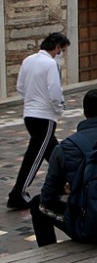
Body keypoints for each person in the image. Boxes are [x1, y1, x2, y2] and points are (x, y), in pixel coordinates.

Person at [30, 89, 97, 247]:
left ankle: (48, 255)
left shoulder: (65, 148)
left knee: (37, 203)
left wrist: (70, 189)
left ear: (84, 112)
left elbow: (48, 196)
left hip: (84, 228)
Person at [7, 33, 70, 210]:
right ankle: (17, 194)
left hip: (29, 114)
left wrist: (31, 101)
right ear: (57, 47)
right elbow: (55, 91)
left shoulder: (28, 60)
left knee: (54, 153)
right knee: (34, 156)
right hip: (45, 116)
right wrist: (59, 109)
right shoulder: (51, 64)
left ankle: (65, 184)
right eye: (62, 50)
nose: (62, 54)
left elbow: (20, 86)